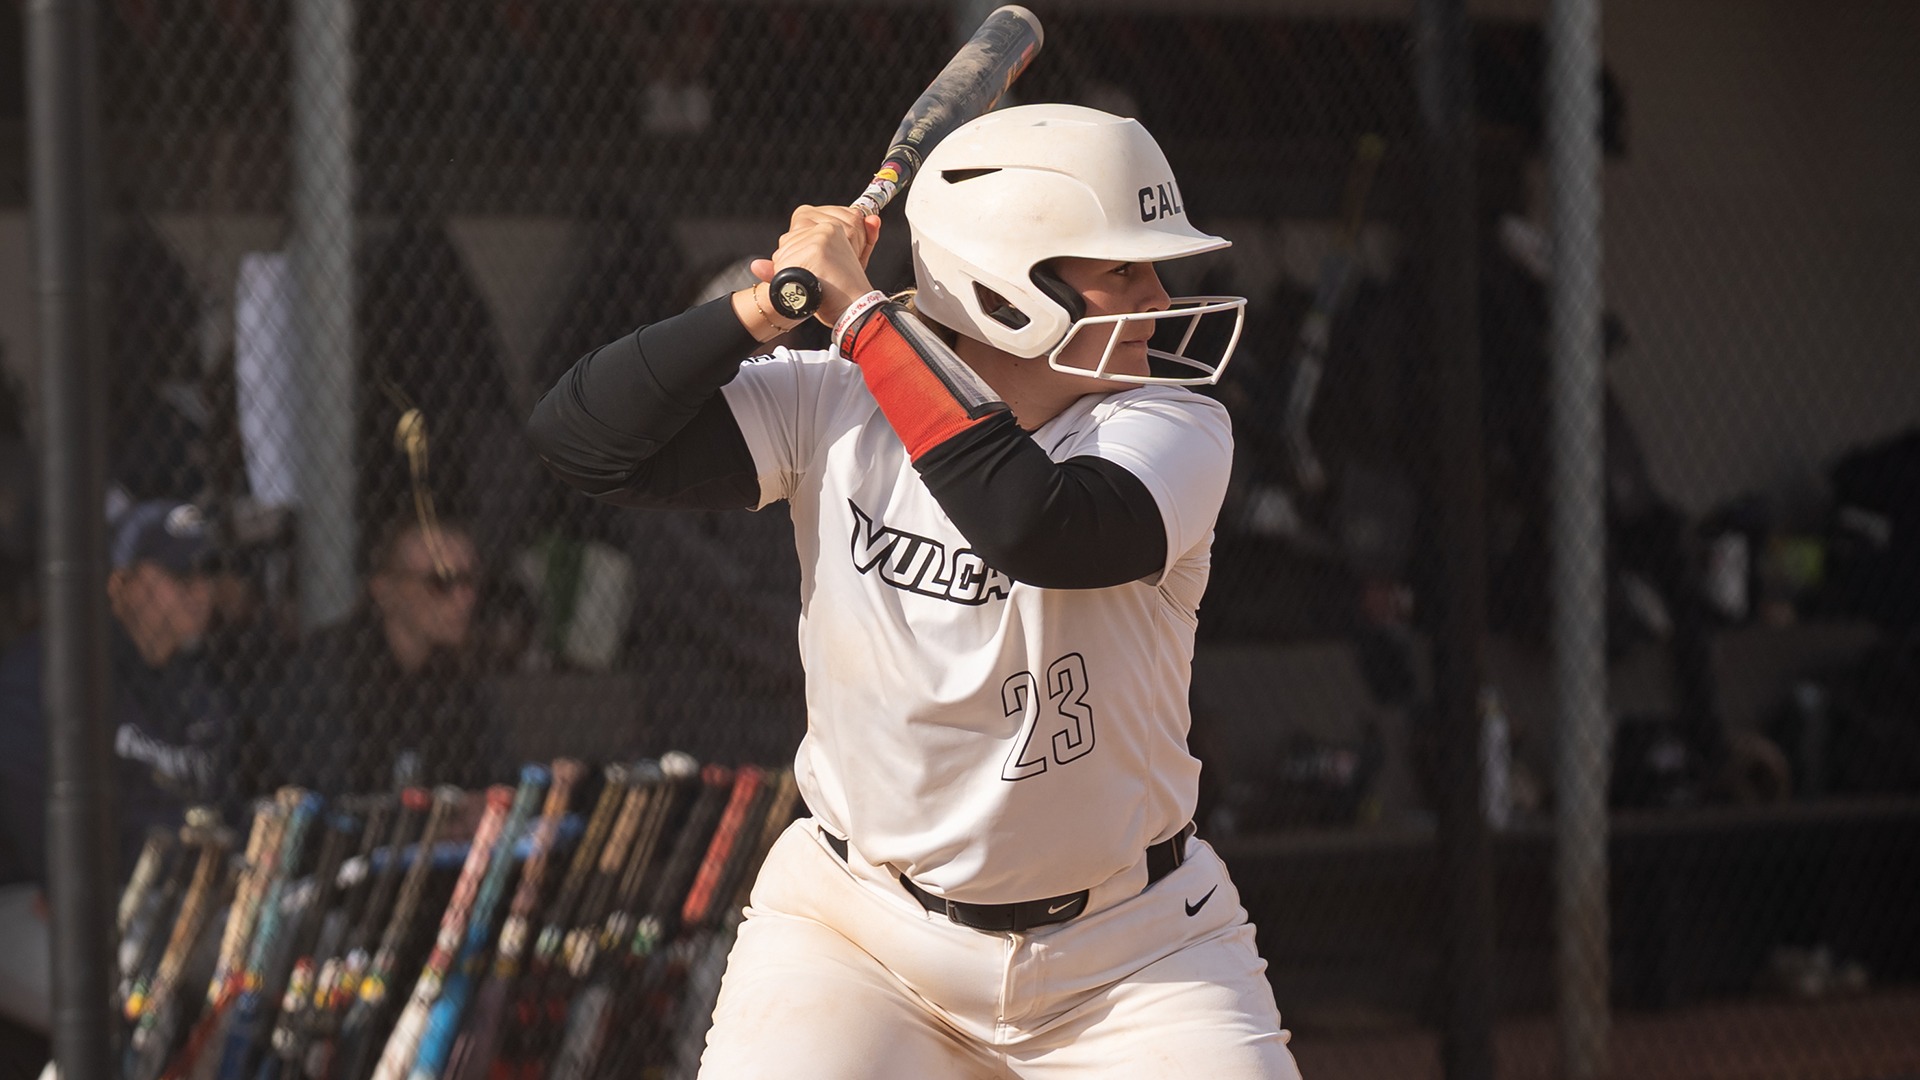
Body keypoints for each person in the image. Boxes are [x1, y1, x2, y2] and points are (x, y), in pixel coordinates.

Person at [530, 103, 1300, 1079]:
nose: (1158, 293)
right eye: (1122, 270)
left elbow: (1041, 526)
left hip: (1134, 955)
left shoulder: (1171, 427)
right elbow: (580, 441)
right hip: (863, 935)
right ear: (1007, 290)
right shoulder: (830, 404)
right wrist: (765, 311)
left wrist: (862, 315)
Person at [0, 499, 232, 1034]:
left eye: (208, 574)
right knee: (131, 1005)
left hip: (159, 904)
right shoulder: (50, 669)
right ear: (120, 583)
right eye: (181, 574)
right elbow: (23, 796)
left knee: (263, 980)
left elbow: (224, 814)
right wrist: (71, 886)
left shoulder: (200, 696)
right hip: (35, 897)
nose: (201, 590)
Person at [261, 516, 497, 796]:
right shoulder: (330, 669)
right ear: (385, 589)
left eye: (469, 580)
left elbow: (492, 776)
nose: (464, 598)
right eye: (441, 582)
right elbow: (328, 794)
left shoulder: (457, 673)